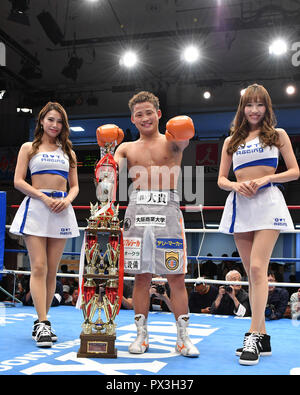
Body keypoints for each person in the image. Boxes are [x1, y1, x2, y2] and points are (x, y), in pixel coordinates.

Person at [218, 84, 299, 365]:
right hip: (241, 205)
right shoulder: (232, 140)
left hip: (268, 203)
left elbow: (294, 171)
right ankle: (263, 338)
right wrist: (235, 186)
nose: (254, 110)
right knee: (252, 275)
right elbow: (221, 179)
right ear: (243, 108)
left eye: (259, 104)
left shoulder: (278, 135)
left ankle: (252, 334)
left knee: (256, 267)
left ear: (267, 107)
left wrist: (267, 179)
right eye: (249, 105)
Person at [113, 91, 199, 357]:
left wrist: (184, 130)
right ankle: (141, 335)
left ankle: (183, 338)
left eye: (149, 112)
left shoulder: (174, 141)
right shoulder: (125, 148)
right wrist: (106, 151)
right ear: (133, 119)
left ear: (159, 114)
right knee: (141, 277)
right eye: (139, 114)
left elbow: (186, 136)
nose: (145, 117)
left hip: (168, 212)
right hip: (137, 211)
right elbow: (107, 175)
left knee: (176, 276)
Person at [10, 102, 79, 348]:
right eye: (51, 120)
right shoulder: (29, 147)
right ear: (41, 121)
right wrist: (43, 197)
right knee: (38, 266)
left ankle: (43, 319)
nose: (55, 125)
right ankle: (42, 323)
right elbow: (18, 180)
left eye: (59, 121)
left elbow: (75, 186)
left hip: (61, 210)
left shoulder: (68, 151)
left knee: (51, 269)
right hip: (38, 208)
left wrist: (68, 201)